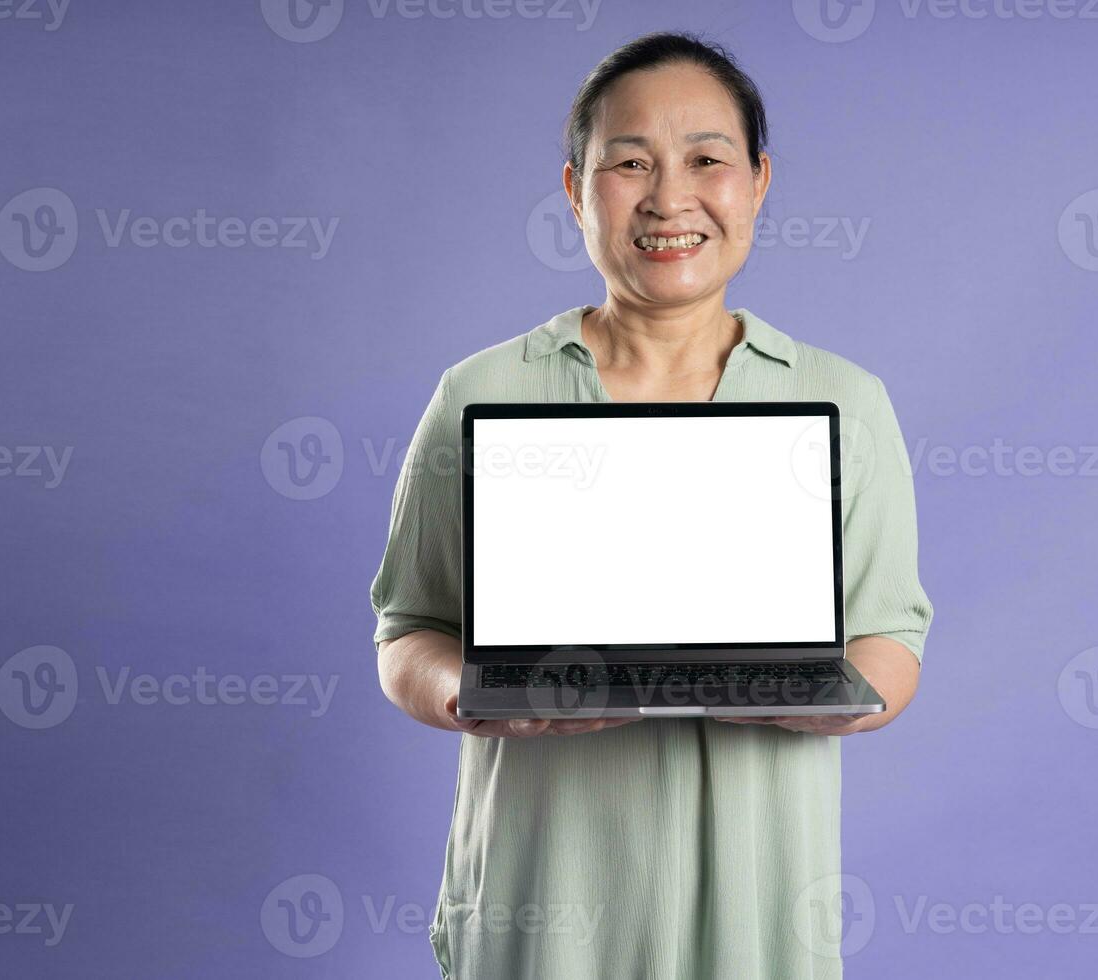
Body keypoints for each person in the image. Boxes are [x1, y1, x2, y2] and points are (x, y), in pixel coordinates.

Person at [370, 30, 934, 979]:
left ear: (757, 181)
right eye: (629, 163)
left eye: (707, 160)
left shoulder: (846, 401)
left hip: (756, 916)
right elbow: (408, 633)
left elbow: (891, 641)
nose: (670, 198)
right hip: (537, 905)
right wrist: (472, 695)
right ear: (575, 191)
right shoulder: (481, 392)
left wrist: (825, 700)